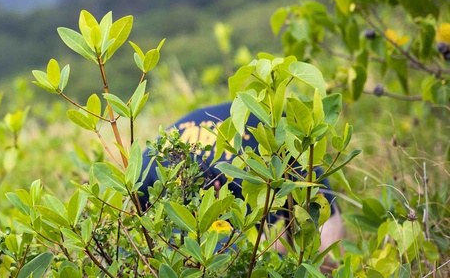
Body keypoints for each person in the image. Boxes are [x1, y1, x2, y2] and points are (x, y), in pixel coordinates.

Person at [138, 99, 345, 252]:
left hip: (264, 143)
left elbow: (325, 235)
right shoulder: (149, 171)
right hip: (188, 164)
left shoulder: (249, 170)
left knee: (315, 245)